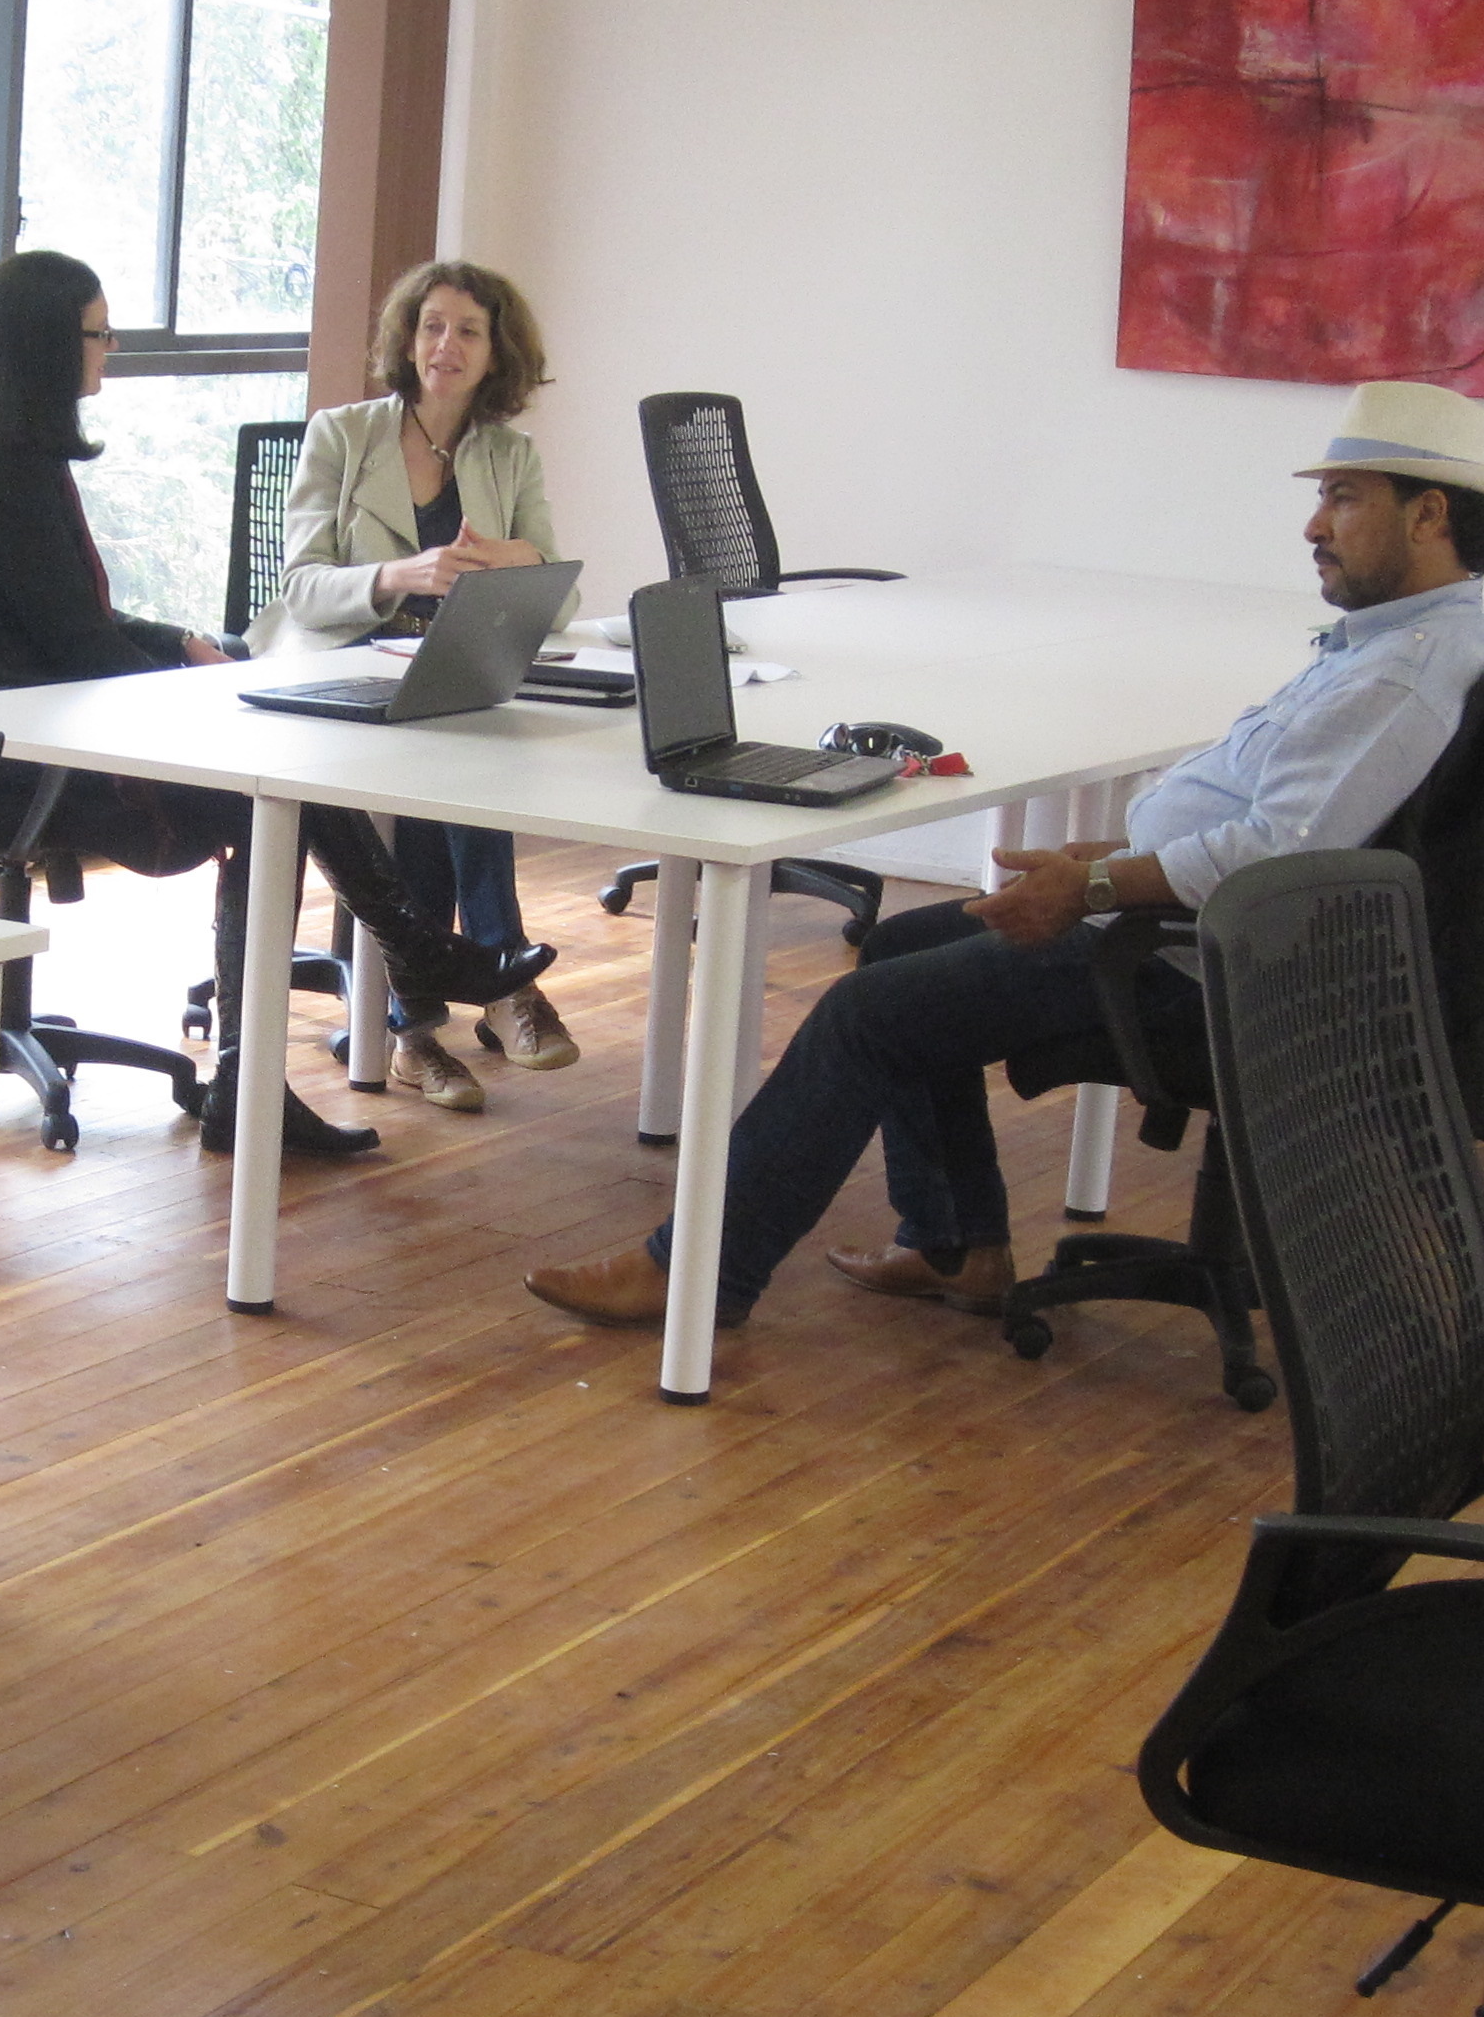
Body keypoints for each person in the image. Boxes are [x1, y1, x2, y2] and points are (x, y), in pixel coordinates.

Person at [523, 378, 1484, 1335]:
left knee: (867, 1016)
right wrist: (1120, 854)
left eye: (1343, 498)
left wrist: (1096, 885)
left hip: (1209, 963)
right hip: (1203, 930)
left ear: (1429, 515)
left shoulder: (1405, 671)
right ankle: (955, 1245)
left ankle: (695, 1274)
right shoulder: (1403, 638)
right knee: (899, 948)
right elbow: (1288, 818)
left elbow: (1273, 856)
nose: (1314, 524)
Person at [0, 248, 550, 1160]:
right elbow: (78, 646)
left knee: (275, 786)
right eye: (99, 334)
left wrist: (179, 644)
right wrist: (199, 687)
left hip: (47, 723)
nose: (110, 349)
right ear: (45, 346)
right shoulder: (2, 479)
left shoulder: (9, 463)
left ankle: (333, 1018)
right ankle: (368, 984)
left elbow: (74, 623)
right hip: (21, 759)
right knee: (268, 792)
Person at [254, 258, 576, 1112]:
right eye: (432, 326)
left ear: (496, 352)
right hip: (338, 669)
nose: (446, 345)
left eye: (468, 331)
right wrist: (400, 575)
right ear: (406, 338)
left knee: (459, 736)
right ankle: (503, 981)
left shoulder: (509, 456)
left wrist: (518, 558)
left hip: (442, 677)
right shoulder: (343, 434)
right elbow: (301, 589)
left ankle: (414, 1028)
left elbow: (562, 594)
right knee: (458, 748)